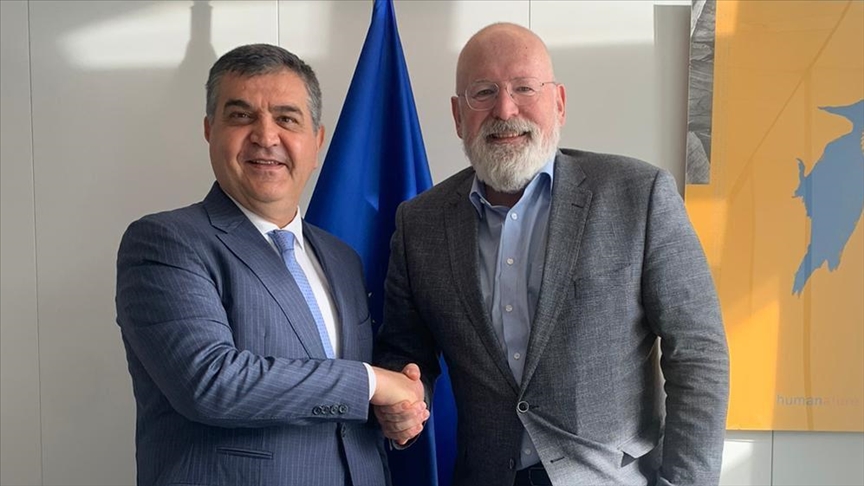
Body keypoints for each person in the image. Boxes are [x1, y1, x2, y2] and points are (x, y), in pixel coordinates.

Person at [373, 23, 729, 486]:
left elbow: (698, 354)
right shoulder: (420, 223)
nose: (505, 109)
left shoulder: (639, 195)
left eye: (524, 88)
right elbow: (404, 350)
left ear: (559, 103)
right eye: (484, 92)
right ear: (459, 115)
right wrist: (404, 401)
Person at [115, 44, 426, 486]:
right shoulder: (165, 243)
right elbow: (211, 383)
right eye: (241, 116)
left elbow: (345, 408)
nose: (265, 136)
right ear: (210, 130)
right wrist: (371, 383)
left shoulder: (342, 259)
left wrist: (398, 412)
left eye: (287, 118)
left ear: (317, 142)